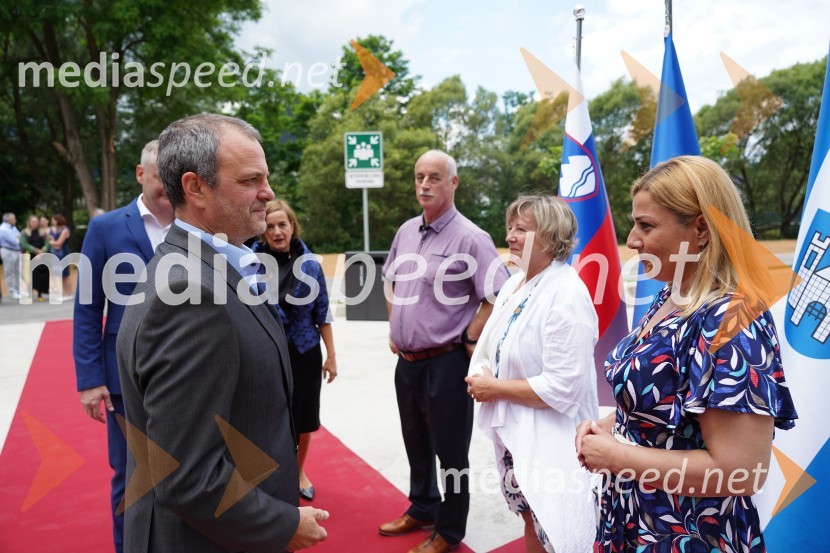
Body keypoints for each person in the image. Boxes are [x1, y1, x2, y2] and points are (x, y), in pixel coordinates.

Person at [116, 113, 328, 552]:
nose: (268, 194)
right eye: (251, 180)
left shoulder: (208, 267)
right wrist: (282, 524)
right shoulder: (190, 291)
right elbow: (187, 476)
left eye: (265, 178)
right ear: (195, 188)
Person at [576, 156, 798, 552]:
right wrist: (611, 425)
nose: (632, 239)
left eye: (646, 225)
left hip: (689, 533)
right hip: (636, 518)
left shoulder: (732, 320)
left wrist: (617, 457)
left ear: (700, 229)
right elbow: (665, 400)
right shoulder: (672, 294)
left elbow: (741, 471)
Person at [379, 149, 510, 553]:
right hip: (408, 362)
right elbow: (392, 283)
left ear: (453, 183)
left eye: (434, 177)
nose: (424, 184)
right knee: (415, 440)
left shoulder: (472, 238)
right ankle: (422, 507)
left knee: (450, 451)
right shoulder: (406, 232)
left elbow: (498, 294)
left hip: (447, 362)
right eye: (419, 176)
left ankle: (450, 531)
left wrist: (470, 337)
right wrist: (395, 323)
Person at [465, 195, 599, 553]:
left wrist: (493, 388)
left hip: (554, 443)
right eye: (510, 227)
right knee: (531, 519)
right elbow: (492, 345)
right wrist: (483, 372)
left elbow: (563, 388)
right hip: (517, 435)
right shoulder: (516, 283)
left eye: (521, 230)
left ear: (551, 239)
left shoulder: (566, 294)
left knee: (557, 529)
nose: (509, 236)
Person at [73, 139, 174, 553]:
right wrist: (90, 380)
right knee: (132, 473)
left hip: (186, 370)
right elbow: (86, 307)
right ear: (140, 173)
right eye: (157, 175)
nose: (165, 184)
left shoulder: (196, 225)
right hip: (122, 376)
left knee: (186, 468)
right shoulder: (106, 228)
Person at [254, 199, 337, 502]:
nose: (277, 231)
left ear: (292, 226)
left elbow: (323, 313)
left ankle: (299, 472)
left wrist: (332, 356)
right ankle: (274, 475)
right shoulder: (251, 262)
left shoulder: (311, 264)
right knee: (270, 418)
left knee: (303, 419)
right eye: (270, 226)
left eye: (282, 225)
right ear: (263, 230)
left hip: (305, 353)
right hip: (267, 354)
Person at [20, 215, 51, 301]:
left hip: (41, 256)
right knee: (29, 275)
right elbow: (23, 243)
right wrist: (35, 250)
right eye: (33, 222)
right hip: (30, 255)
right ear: (29, 222)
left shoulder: (43, 232)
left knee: (41, 275)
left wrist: (42, 251)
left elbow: (47, 243)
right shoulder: (25, 232)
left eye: (37, 222)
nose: (35, 223)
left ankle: (40, 294)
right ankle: (29, 293)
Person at [48, 213, 72, 297]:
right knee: (60, 273)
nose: (52, 222)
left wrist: (51, 242)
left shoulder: (65, 230)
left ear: (57, 220)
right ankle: (64, 292)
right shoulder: (57, 229)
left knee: (66, 273)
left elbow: (59, 243)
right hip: (57, 253)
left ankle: (68, 293)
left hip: (64, 253)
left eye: (53, 220)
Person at [0, 212, 21, 300]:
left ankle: (18, 290)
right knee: (9, 272)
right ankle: (12, 291)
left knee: (18, 271)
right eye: (13, 218)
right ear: (8, 220)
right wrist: (18, 239)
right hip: (8, 251)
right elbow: (14, 241)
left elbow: (20, 237)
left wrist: (19, 239)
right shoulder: (3, 229)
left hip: (16, 251)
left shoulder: (13, 228)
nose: (15, 220)